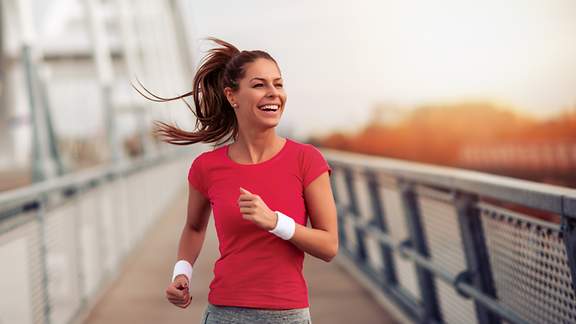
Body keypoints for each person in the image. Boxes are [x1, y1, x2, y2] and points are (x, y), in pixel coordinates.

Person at [138, 38, 338, 323]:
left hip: (288, 315)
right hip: (224, 313)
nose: (273, 93)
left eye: (278, 84)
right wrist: (181, 273)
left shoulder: (307, 159)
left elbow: (329, 246)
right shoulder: (206, 167)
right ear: (232, 96)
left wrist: (275, 222)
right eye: (259, 85)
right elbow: (194, 228)